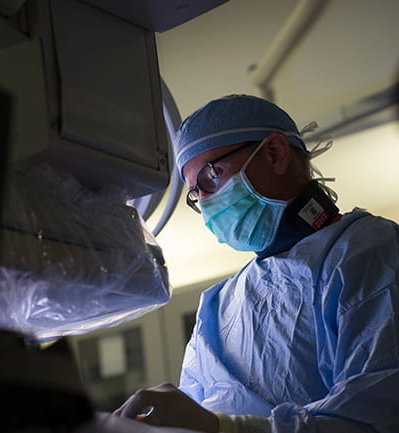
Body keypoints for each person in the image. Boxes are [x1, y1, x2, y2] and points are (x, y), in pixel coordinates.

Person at [112, 94, 399, 433]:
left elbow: (376, 418)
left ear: (275, 153)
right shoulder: (218, 306)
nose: (204, 204)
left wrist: (230, 429)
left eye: (210, 177)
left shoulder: (369, 250)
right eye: (195, 194)